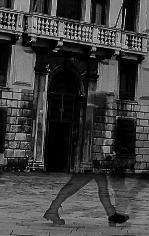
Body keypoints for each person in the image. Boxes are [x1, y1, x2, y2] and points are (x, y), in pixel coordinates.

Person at [43, 92, 129, 227]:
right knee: (73, 187)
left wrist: (105, 155)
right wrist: (88, 161)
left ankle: (112, 215)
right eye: (103, 100)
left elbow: (94, 139)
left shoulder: (92, 113)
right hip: (88, 162)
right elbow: (88, 138)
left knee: (99, 187)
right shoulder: (90, 114)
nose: (105, 103)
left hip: (91, 161)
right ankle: (52, 210)